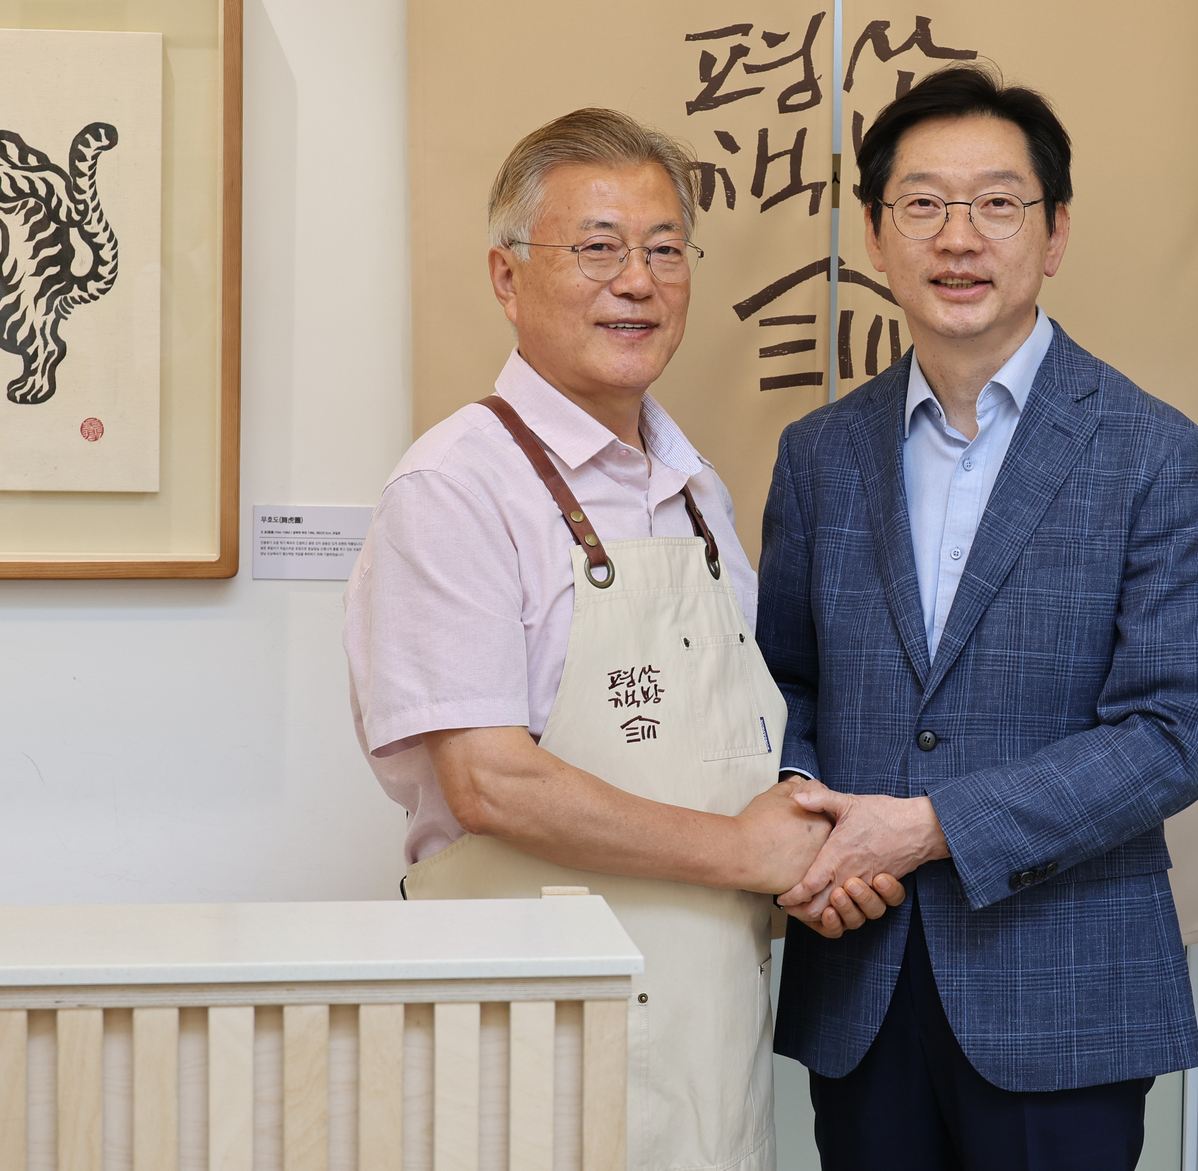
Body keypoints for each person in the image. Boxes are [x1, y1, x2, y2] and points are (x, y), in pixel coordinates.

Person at [344, 108, 895, 1171]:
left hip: (706, 1030)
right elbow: (490, 784)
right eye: (597, 248)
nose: (636, 281)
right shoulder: (455, 487)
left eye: (663, 250)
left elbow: (741, 745)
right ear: (506, 278)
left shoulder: (693, 494)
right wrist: (747, 853)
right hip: (528, 1034)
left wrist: (816, 855)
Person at [757, 66, 1198, 1170]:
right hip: (862, 970)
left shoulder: (1151, 451)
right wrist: (808, 820)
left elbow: (1172, 732)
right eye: (922, 203)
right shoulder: (819, 454)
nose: (958, 237)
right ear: (876, 237)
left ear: (1054, 233)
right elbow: (780, 682)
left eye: (997, 204)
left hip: (1062, 984)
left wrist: (929, 827)